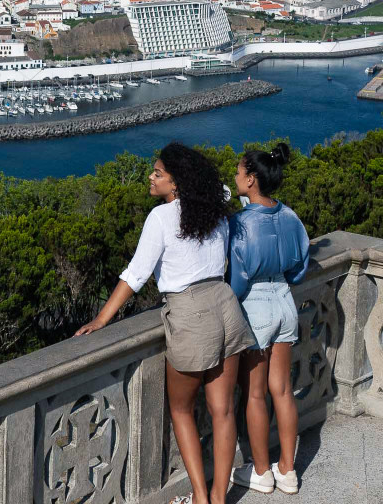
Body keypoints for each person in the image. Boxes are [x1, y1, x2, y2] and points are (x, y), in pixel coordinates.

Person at [76, 142, 254, 504]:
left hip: (191, 314)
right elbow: (219, 188)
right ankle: (219, 497)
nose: (150, 177)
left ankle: (201, 498)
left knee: (181, 409)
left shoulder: (161, 218)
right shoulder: (212, 208)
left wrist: (101, 318)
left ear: (176, 183)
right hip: (226, 305)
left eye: (158, 173)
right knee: (223, 410)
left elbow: (135, 275)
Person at [227, 142, 310, 496]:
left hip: (255, 306)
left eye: (238, 171)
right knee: (283, 390)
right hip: (285, 303)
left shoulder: (241, 223)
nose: (234, 175)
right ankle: (288, 471)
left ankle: (261, 472)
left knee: (256, 395)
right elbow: (300, 267)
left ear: (251, 180)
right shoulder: (290, 216)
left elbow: (237, 279)